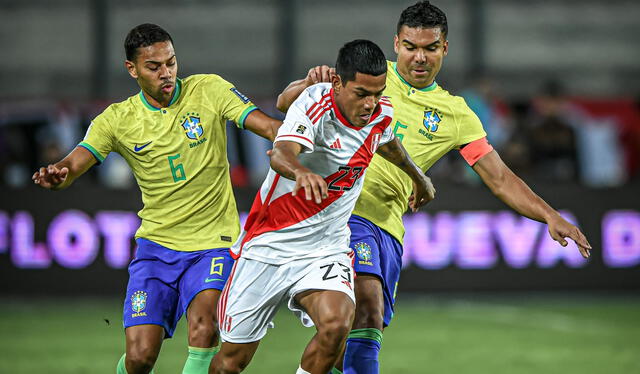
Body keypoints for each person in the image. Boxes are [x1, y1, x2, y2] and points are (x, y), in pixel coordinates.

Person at [276, 2, 592, 373]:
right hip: (341, 212)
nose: (419, 57)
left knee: (355, 331)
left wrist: (550, 215)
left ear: (445, 48)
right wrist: (307, 82)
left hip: (386, 228)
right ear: (396, 44)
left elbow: (500, 177)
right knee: (366, 306)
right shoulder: (370, 76)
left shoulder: (457, 114)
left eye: (430, 48)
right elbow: (288, 105)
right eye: (410, 46)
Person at [32, 23, 281, 374]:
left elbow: (268, 126)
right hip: (157, 248)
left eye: (171, 62)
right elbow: (72, 166)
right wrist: (57, 174)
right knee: (139, 357)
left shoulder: (209, 89)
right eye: (154, 67)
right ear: (132, 69)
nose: (166, 73)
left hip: (215, 243)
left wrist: (306, 137)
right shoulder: (117, 120)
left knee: (204, 327)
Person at [209, 39, 435, 374]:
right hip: (269, 245)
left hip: (326, 248)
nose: (371, 103)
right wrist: (301, 172)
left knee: (337, 325)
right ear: (339, 83)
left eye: (378, 92)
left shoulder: (379, 112)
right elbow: (282, 152)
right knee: (232, 362)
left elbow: (385, 140)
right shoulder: (315, 103)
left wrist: (419, 177)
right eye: (362, 94)